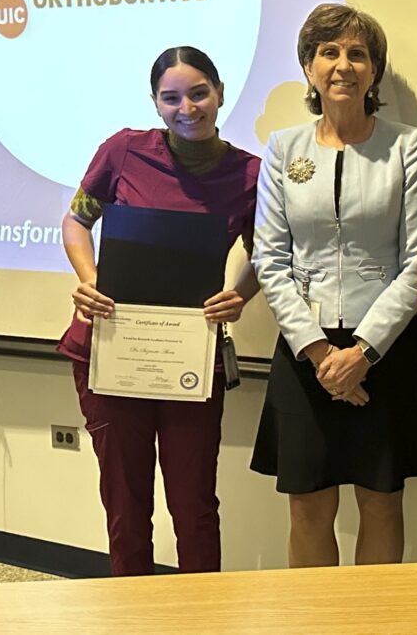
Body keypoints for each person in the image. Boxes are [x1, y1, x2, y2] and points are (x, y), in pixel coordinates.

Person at [250, 3, 417, 568]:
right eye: (329, 52)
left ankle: (376, 616)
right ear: (309, 67)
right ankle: (316, 617)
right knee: (308, 507)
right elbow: (269, 259)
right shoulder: (283, 149)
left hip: (386, 351)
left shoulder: (408, 146)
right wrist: (322, 355)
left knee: (381, 503)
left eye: (357, 54)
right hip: (306, 352)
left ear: (374, 72)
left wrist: (363, 353)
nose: (343, 65)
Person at [57, 45, 260, 576]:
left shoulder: (250, 175)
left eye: (199, 93)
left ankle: (203, 614)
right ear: (155, 103)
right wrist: (91, 280)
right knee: (125, 508)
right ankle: (133, 613)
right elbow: (76, 221)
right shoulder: (123, 151)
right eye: (171, 98)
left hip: (189, 358)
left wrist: (241, 294)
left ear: (220, 93)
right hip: (112, 351)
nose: (186, 109)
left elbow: (268, 255)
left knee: (195, 508)